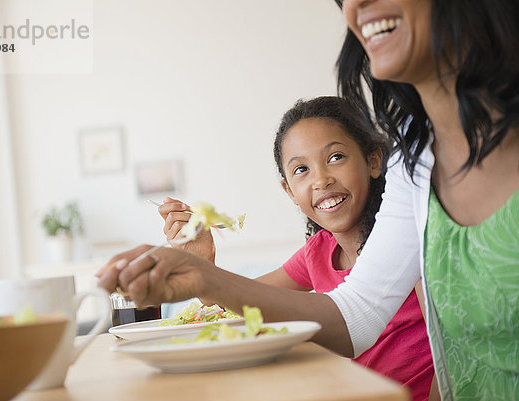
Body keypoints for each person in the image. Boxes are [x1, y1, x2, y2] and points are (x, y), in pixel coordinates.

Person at [98, 1, 519, 399]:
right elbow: (355, 315)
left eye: (334, 157)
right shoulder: (418, 158)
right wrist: (203, 276)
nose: (355, 4)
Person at [157, 96, 433, 401]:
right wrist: (203, 262)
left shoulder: (406, 240)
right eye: (301, 169)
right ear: (289, 191)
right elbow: (243, 304)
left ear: (373, 160)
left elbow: (449, 351)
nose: (321, 179)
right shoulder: (318, 252)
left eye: (336, 157)